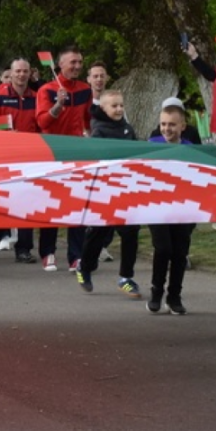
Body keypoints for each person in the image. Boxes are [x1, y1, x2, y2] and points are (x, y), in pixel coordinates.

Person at [76, 90, 143, 298]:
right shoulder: (99, 130)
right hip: (104, 191)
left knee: (131, 232)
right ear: (103, 108)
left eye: (121, 105)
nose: (119, 109)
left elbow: (137, 153)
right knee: (98, 233)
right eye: (114, 106)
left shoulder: (127, 129)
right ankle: (84, 268)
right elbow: (96, 158)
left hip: (125, 190)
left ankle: (126, 277)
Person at [35, 46, 91, 271]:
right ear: (60, 65)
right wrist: (59, 104)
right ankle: (47, 253)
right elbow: (42, 123)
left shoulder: (85, 90)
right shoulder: (46, 90)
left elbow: (88, 120)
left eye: (79, 62)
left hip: (77, 153)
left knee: (77, 204)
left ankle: (75, 256)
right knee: (52, 205)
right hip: (52, 153)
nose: (77, 66)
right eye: (73, 63)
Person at [0, 58, 40, 264]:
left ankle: (23, 249)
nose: (22, 75)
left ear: (30, 74)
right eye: (18, 71)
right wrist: (5, 133)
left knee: (26, 201)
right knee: (4, 202)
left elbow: (42, 124)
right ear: (11, 74)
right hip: (5, 157)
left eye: (25, 71)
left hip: (30, 157)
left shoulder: (36, 97)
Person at [145, 103, 195, 315]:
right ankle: (156, 292)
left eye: (172, 125)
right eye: (163, 124)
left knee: (179, 252)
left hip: (184, 208)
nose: (167, 129)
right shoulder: (151, 144)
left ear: (182, 126)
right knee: (163, 248)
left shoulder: (191, 149)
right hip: (157, 207)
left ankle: (174, 296)